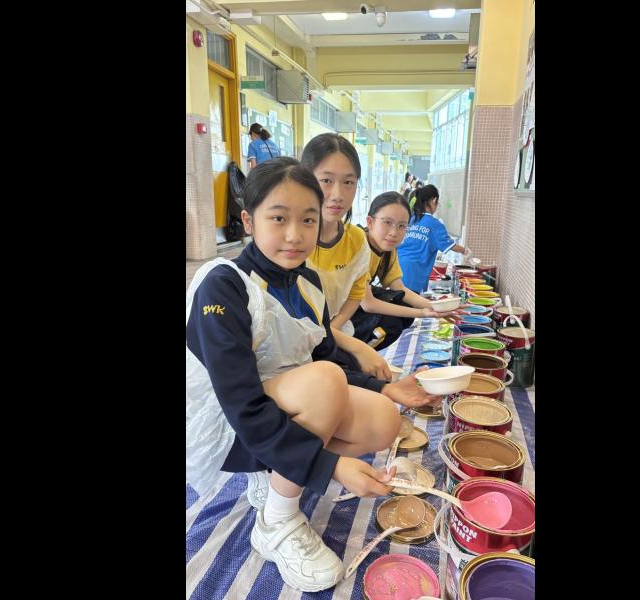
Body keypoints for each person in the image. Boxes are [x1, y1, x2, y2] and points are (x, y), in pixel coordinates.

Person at [186, 157, 441, 592]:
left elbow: (328, 356)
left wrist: (387, 389)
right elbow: (242, 403)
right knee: (323, 381)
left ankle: (276, 473)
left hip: (283, 405)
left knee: (383, 420)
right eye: (278, 218)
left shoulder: (307, 282)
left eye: (307, 219)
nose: (294, 234)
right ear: (248, 221)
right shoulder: (223, 285)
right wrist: (329, 466)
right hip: (229, 424)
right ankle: (277, 522)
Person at [351, 192, 459, 349]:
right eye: (387, 222)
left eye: (401, 226)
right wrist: (423, 313)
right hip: (333, 314)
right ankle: (352, 355)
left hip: (353, 305)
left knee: (404, 307)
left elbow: (400, 288)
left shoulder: (387, 250)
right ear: (370, 222)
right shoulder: (357, 244)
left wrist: (437, 307)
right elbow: (368, 304)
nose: (394, 232)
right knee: (391, 324)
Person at [300, 134, 369, 335]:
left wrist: (329, 333)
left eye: (348, 182)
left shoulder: (357, 240)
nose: (338, 195)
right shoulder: (290, 239)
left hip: (334, 332)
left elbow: (356, 294)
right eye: (326, 180)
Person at [397, 184, 472, 293]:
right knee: (409, 300)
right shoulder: (434, 224)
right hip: (414, 270)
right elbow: (450, 245)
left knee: (398, 298)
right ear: (434, 200)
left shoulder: (412, 219)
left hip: (397, 264)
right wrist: (465, 251)